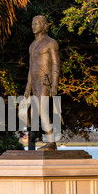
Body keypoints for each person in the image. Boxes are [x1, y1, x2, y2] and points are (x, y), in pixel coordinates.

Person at [24, 15, 60, 150]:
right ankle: (48, 141)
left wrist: (55, 84)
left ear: (44, 26)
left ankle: (51, 142)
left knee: (42, 111)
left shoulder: (51, 43)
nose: (34, 26)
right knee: (26, 111)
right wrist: (28, 86)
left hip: (45, 81)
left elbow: (56, 65)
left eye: (37, 24)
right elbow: (30, 66)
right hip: (33, 81)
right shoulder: (32, 45)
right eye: (33, 24)